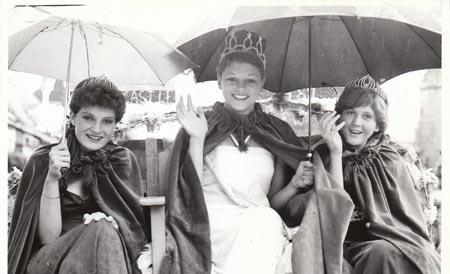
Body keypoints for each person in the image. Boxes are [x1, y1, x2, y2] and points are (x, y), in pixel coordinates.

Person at [163, 29, 347, 274]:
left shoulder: (276, 130)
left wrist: (294, 183)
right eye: (231, 79)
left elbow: (276, 202)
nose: (241, 87)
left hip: (261, 225)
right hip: (210, 226)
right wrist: (197, 138)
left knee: (265, 220)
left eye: (250, 80)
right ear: (219, 81)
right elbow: (188, 193)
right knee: (265, 222)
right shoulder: (201, 124)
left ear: (261, 83)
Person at [8, 76, 147, 274]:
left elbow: (131, 230)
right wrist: (52, 178)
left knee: (102, 229)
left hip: (105, 256)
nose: (97, 129)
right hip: (50, 262)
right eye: (88, 118)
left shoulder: (121, 161)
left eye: (107, 121)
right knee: (101, 230)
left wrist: (108, 221)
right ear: (72, 117)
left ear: (115, 125)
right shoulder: (43, 160)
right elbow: (48, 239)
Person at [317, 75, 440, 273]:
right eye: (350, 113)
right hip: (348, 243)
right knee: (382, 253)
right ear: (339, 117)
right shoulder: (325, 153)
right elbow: (335, 211)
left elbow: (407, 219)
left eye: (367, 116)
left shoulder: (389, 157)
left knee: (422, 256)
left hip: (395, 239)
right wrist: (336, 152)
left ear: (377, 125)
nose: (356, 123)